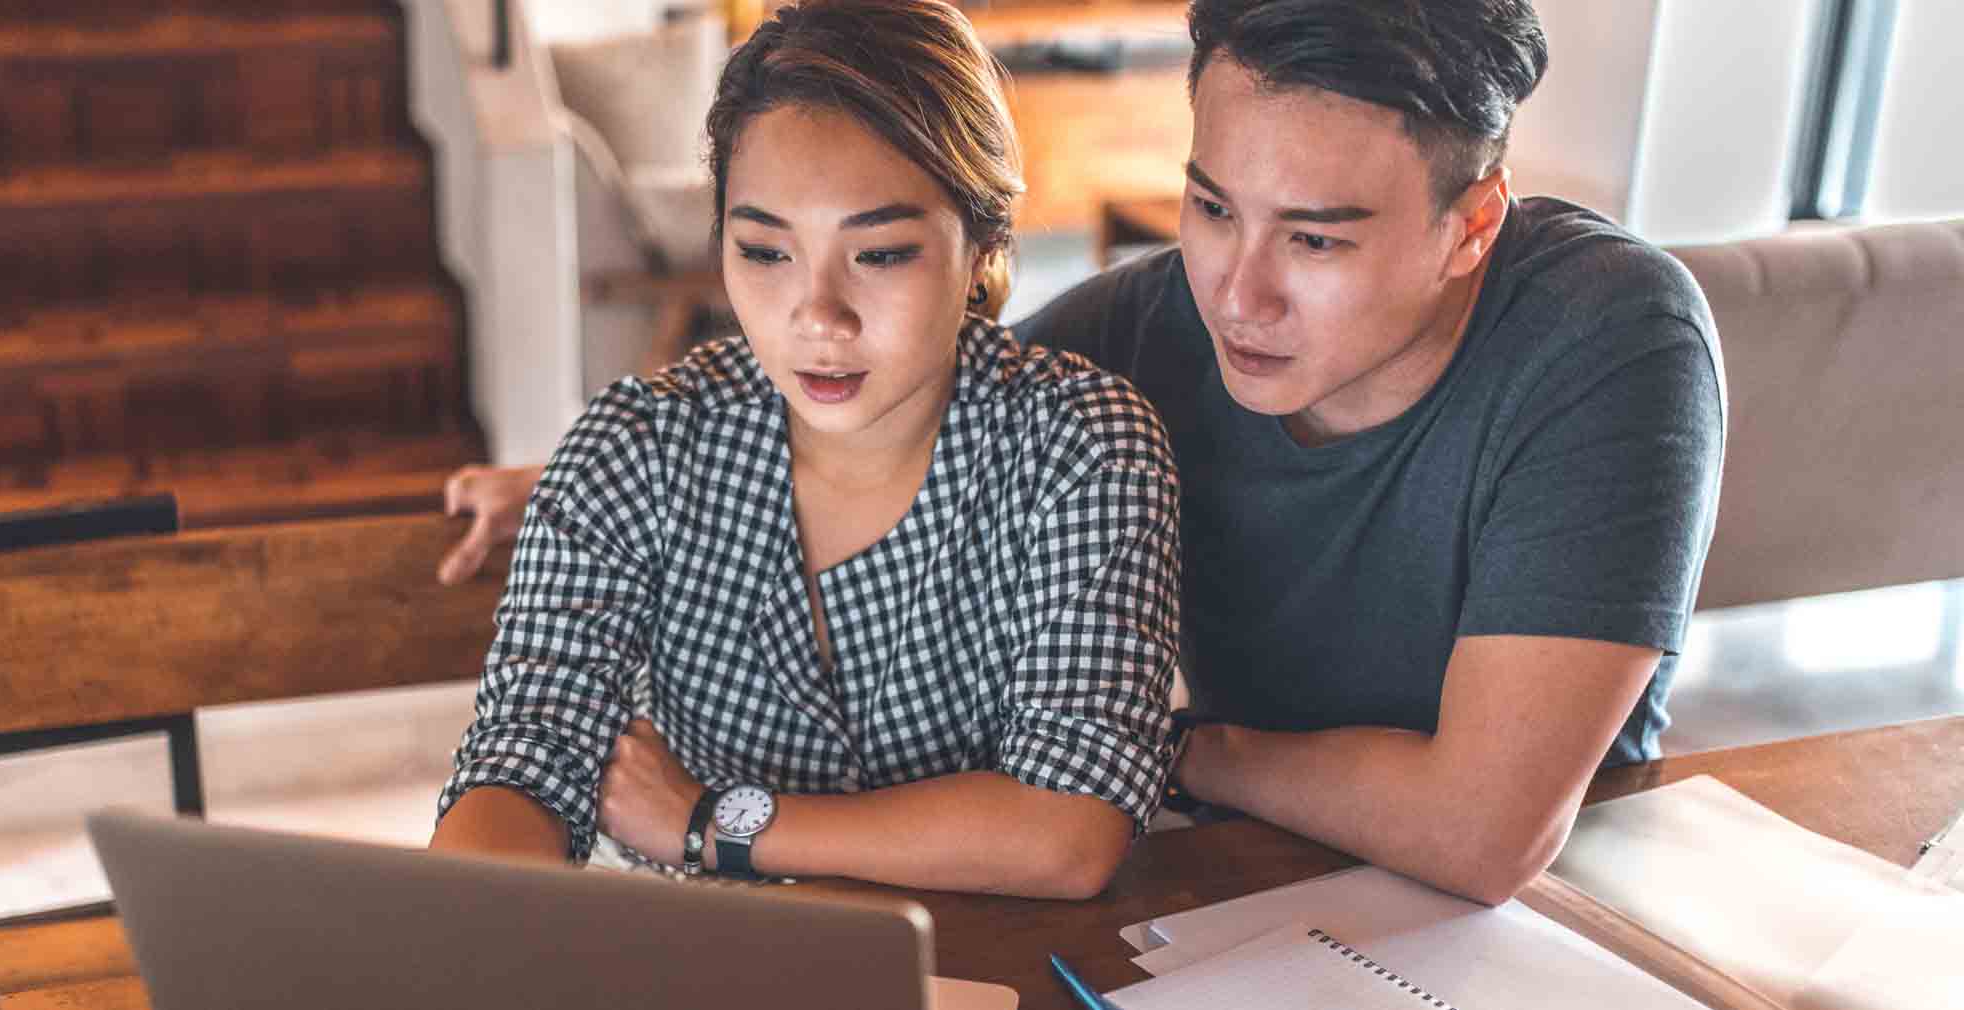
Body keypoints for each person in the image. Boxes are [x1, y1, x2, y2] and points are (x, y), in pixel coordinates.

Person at [438, 0, 1725, 906]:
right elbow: (888, 384)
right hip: (1225, 900)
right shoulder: (1144, 329)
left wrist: (1167, 750)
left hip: (1547, 927)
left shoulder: (1606, 335)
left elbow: (1485, 831)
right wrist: (577, 478)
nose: (1238, 292)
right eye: (1211, 206)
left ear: (1470, 224)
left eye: (1317, 240)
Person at [427, 0, 1184, 900]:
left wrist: (714, 823)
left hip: (1005, 964)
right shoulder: (635, 452)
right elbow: (527, 757)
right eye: (764, 251)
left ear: (984, 243)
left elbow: (1069, 829)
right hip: (718, 967)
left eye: (880, 254)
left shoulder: (1082, 449)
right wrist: (459, 933)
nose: (817, 317)